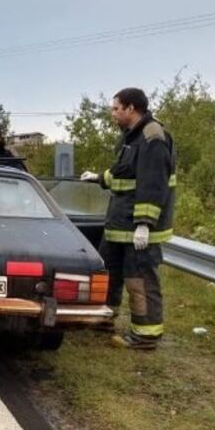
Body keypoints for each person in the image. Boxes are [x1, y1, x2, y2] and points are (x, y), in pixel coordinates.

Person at [80, 87, 176, 350]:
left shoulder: (152, 136)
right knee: (108, 273)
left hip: (138, 227)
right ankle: (104, 319)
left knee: (139, 279)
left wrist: (144, 223)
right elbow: (124, 173)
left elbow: (153, 182)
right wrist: (98, 177)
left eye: (115, 108)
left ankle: (145, 335)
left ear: (131, 108)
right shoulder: (130, 137)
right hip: (119, 223)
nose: (112, 113)